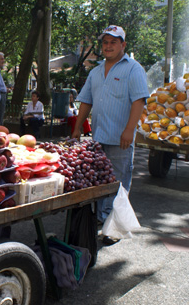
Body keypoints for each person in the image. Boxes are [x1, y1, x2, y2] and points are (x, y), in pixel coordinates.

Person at [72, 25, 149, 245]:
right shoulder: (95, 72)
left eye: (113, 42)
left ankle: (114, 229)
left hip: (120, 139)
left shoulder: (133, 69)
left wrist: (129, 129)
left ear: (123, 45)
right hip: (98, 137)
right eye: (105, 42)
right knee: (100, 181)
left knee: (118, 183)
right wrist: (78, 128)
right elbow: (86, 101)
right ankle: (101, 218)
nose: (108, 46)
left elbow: (139, 101)